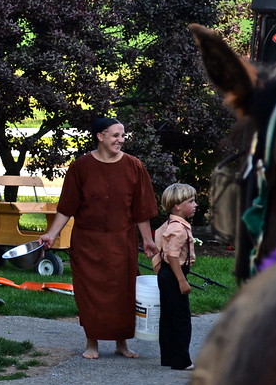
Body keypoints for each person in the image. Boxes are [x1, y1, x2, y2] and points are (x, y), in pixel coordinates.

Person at [39, 117, 158, 359]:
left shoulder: (134, 166)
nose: (121, 140)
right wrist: (52, 234)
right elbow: (67, 207)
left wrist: (147, 239)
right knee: (90, 292)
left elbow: (142, 210)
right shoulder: (80, 167)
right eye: (115, 135)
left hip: (121, 241)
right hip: (87, 243)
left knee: (124, 292)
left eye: (123, 135)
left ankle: (121, 343)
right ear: (100, 136)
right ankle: (91, 343)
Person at [153, 183, 197, 370]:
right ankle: (181, 361)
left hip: (165, 273)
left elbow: (159, 248)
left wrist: (160, 271)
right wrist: (181, 280)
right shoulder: (179, 229)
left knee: (168, 317)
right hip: (174, 273)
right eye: (191, 201)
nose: (195, 204)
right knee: (181, 319)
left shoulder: (168, 225)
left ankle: (168, 357)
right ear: (178, 206)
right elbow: (172, 255)